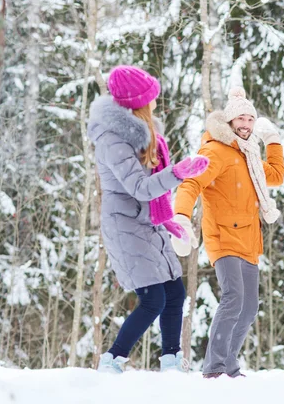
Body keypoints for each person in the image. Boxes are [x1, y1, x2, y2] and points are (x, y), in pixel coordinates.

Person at [88, 65, 209, 373]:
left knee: (175, 292)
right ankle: (112, 359)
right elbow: (139, 187)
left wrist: (164, 217)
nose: (155, 101)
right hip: (125, 225)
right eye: (151, 97)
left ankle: (171, 361)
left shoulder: (142, 133)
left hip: (146, 221)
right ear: (137, 102)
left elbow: (148, 188)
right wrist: (179, 173)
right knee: (152, 298)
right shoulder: (113, 140)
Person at [171, 83, 284, 378]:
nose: (246, 125)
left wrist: (272, 140)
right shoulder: (215, 151)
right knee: (233, 296)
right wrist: (181, 217)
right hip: (222, 236)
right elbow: (191, 184)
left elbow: (275, 175)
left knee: (249, 308)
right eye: (241, 120)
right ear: (229, 122)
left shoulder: (248, 155)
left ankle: (230, 365)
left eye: (250, 120)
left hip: (249, 238)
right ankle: (215, 367)